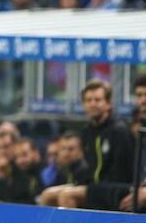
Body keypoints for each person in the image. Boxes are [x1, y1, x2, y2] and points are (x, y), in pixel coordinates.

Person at [54, 80, 136, 210]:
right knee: (48, 195)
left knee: (67, 196)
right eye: (88, 100)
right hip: (94, 187)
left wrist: (95, 187)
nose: (93, 104)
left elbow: (125, 173)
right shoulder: (87, 131)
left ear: (108, 104)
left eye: (97, 100)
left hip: (115, 189)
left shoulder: (119, 130)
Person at [39, 132, 93, 206]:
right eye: (63, 149)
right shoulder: (60, 172)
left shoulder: (86, 171)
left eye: (70, 149)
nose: (66, 153)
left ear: (81, 152)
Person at [0, 137, 42, 204]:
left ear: (35, 152)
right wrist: (1, 178)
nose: (20, 161)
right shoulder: (18, 172)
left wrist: (2, 204)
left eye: (24, 154)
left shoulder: (43, 172)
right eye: (17, 157)